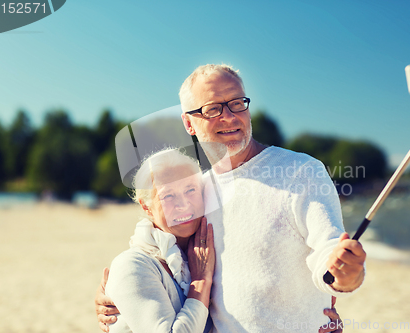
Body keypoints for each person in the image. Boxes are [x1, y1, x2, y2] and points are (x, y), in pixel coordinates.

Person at [96, 64, 365, 332]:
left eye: (237, 103)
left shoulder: (301, 171)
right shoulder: (196, 190)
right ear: (189, 123)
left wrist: (346, 275)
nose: (229, 116)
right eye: (213, 109)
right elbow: (159, 251)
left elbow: (328, 249)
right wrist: (113, 298)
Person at [104, 149, 214, 332]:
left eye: (190, 190)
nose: (183, 204)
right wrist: (201, 282)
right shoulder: (130, 266)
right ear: (146, 206)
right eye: (168, 195)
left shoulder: (207, 252)